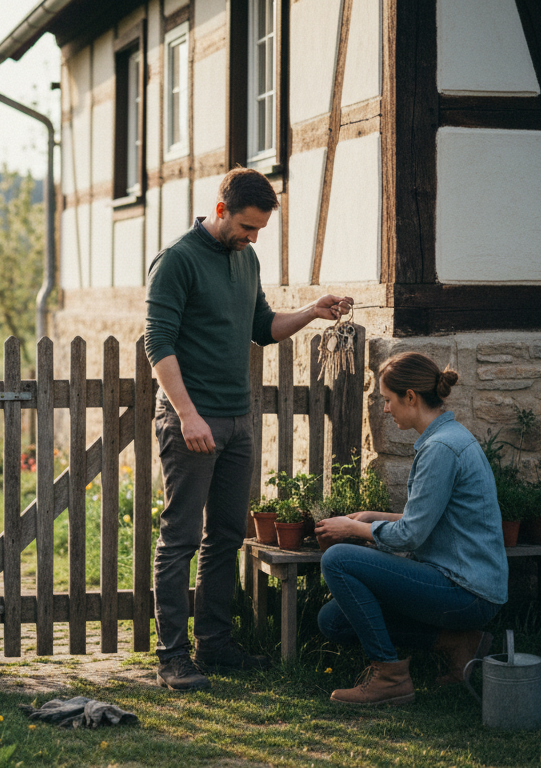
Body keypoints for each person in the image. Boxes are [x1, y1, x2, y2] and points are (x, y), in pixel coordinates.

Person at [144, 167, 352, 691]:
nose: (253, 238)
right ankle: (172, 656)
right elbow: (158, 344)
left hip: (237, 421)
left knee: (226, 537)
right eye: (246, 227)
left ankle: (214, 645)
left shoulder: (246, 258)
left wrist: (312, 311)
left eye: (259, 229)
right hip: (193, 422)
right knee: (180, 540)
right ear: (221, 211)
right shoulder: (176, 261)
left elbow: (263, 327)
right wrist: (187, 414)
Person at [315, 352, 507, 706]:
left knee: (338, 559)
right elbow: (426, 519)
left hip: (466, 591)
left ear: (411, 397)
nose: (385, 409)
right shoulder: (447, 437)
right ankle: (459, 643)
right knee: (334, 621)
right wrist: (373, 516)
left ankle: (390, 676)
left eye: (388, 400)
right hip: (461, 583)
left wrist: (352, 530)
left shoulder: (441, 448)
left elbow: (411, 535)